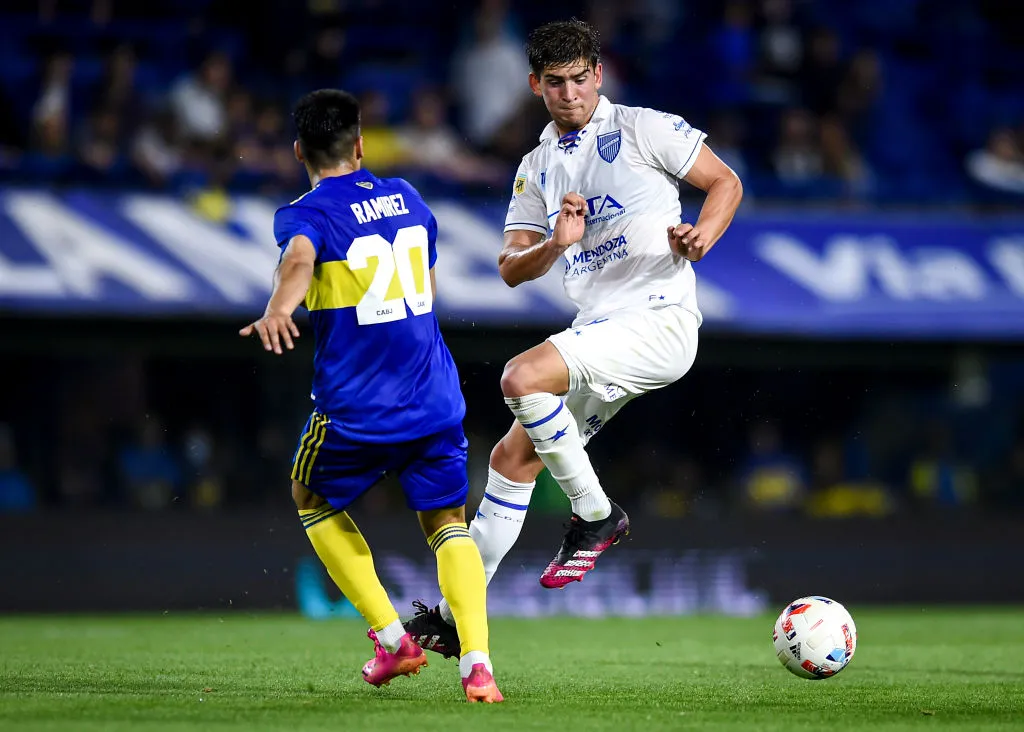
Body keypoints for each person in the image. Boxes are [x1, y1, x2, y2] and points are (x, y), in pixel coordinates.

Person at [404, 18, 743, 659]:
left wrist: (703, 234)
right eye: (555, 82)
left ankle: (595, 514)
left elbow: (725, 182)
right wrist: (554, 245)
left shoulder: (646, 128)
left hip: (659, 317)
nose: (570, 93)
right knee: (511, 461)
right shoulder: (535, 170)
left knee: (519, 378)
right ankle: (452, 619)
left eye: (580, 79)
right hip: (601, 330)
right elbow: (509, 268)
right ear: (535, 84)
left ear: (598, 75)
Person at [239, 89, 502, 703]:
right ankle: (478, 667)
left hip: (358, 405)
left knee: (308, 493)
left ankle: (393, 642)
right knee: (447, 522)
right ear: (360, 145)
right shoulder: (409, 198)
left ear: (299, 149)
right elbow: (429, 288)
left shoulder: (306, 213)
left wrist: (280, 307)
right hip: (433, 394)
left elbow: (299, 259)